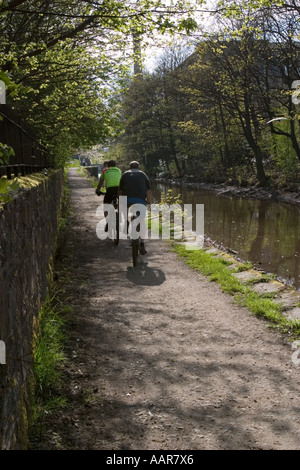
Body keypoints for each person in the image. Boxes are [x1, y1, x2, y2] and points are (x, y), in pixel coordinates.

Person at [119, 161, 151, 254]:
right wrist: (148, 201)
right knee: (141, 221)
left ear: (129, 167)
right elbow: (149, 191)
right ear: (139, 167)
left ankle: (126, 223)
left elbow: (120, 191)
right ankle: (142, 244)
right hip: (140, 200)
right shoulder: (143, 175)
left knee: (125, 211)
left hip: (126, 200)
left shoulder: (125, 174)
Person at [95, 159, 122, 231]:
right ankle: (120, 217)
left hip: (110, 190)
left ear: (108, 165)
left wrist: (98, 190)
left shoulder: (105, 171)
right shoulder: (119, 170)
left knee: (106, 206)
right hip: (119, 190)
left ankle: (108, 221)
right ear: (115, 165)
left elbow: (101, 182)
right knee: (121, 202)